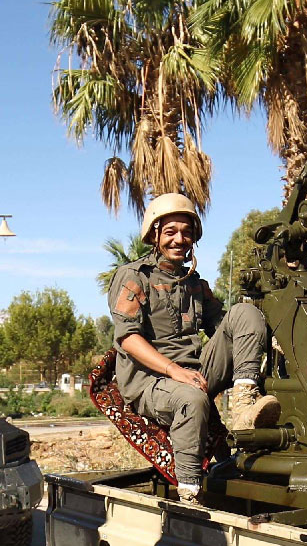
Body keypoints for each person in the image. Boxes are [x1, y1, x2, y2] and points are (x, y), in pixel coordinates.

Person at [109, 192, 280, 503]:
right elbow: (128, 338)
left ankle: (243, 406)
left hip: (196, 373)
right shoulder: (135, 277)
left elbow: (225, 328)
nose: (180, 239)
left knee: (246, 313)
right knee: (192, 398)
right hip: (151, 381)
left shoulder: (196, 284)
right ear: (154, 234)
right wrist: (175, 371)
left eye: (187, 233)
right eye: (171, 232)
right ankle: (189, 493)